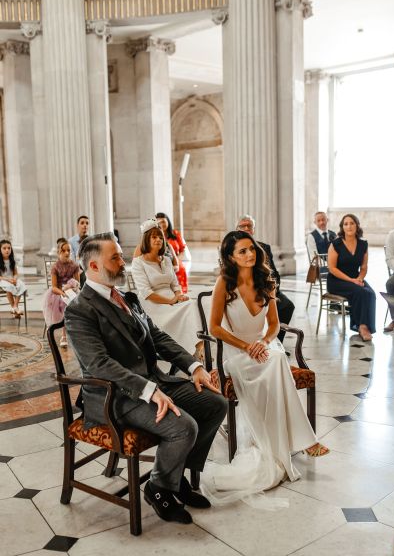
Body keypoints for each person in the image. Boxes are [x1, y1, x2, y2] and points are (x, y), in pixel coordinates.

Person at [64, 232, 227, 525]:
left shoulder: (127, 298)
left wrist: (194, 367)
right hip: (115, 397)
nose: (122, 260)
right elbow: (98, 364)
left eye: (120, 254)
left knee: (216, 403)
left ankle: (175, 478)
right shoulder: (80, 310)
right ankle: (159, 488)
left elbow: (158, 337)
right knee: (183, 427)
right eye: (114, 257)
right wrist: (149, 391)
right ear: (93, 267)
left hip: (154, 382)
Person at [201, 230, 328, 505]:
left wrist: (264, 342)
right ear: (231, 257)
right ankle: (305, 440)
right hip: (236, 352)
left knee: (277, 358)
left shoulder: (265, 281)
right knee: (277, 362)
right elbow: (214, 328)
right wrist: (247, 347)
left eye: (251, 249)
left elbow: (273, 324)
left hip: (263, 346)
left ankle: (293, 439)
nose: (249, 255)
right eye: (242, 251)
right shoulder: (224, 282)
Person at [131, 219, 201, 356]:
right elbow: (146, 292)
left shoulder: (166, 260)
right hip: (152, 304)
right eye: (154, 237)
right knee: (188, 308)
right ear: (146, 240)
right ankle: (197, 349)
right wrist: (170, 301)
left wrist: (179, 295)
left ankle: (198, 347)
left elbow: (175, 284)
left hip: (172, 298)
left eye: (160, 237)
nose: (158, 240)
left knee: (192, 304)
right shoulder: (138, 263)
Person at [236, 215, 294, 343]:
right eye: (243, 226)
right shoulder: (233, 249)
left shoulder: (264, 247)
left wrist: (274, 288)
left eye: (249, 226)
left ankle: (277, 343)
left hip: (267, 288)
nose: (246, 228)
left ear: (254, 229)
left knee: (287, 306)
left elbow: (274, 272)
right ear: (237, 229)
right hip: (247, 290)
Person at [327, 214, 376, 341]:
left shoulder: (363, 244)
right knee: (360, 292)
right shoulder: (335, 244)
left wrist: (359, 278)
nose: (349, 226)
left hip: (356, 279)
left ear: (357, 225)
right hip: (336, 280)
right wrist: (351, 280)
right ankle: (361, 326)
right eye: (346, 224)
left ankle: (366, 326)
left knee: (370, 293)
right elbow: (332, 268)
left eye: (352, 223)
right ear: (342, 227)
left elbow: (364, 267)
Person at [43, 238, 80, 347]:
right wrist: (62, 293)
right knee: (64, 303)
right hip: (58, 292)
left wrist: (73, 288)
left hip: (71, 291)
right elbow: (54, 287)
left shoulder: (74, 265)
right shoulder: (55, 267)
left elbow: (77, 282)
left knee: (81, 302)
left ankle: (79, 331)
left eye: (68, 250)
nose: (67, 253)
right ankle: (64, 335)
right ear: (59, 252)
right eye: (63, 251)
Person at [155, 212, 189, 293]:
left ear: (168, 222)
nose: (162, 224)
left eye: (163, 221)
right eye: (159, 222)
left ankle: (181, 292)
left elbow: (182, 250)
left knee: (181, 268)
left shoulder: (175, 234)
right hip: (160, 260)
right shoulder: (155, 235)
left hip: (175, 258)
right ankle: (166, 292)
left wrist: (176, 260)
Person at [0, 239, 27, 317]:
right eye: (4, 248)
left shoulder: (12, 260)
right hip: (3, 280)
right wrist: (9, 280)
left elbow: (15, 273)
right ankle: (15, 308)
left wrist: (15, 279)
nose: (7, 250)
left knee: (21, 285)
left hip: (12, 279)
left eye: (9, 248)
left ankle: (15, 307)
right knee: (9, 287)